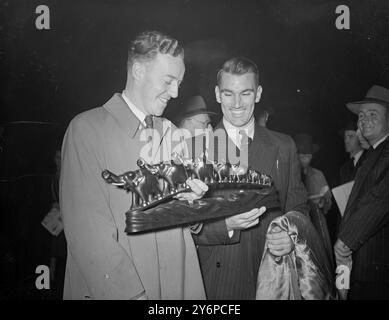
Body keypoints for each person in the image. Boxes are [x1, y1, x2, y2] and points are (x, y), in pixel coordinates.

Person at [60, 30, 208, 300]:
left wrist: (192, 205)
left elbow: (183, 224)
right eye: (168, 80)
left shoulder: (172, 133)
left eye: (179, 82)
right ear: (138, 70)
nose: (175, 92)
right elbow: (88, 234)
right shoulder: (87, 129)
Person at [192, 57, 309, 300]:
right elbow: (184, 230)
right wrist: (226, 226)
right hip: (218, 284)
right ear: (217, 94)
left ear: (258, 94)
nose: (236, 103)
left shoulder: (284, 145)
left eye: (245, 93)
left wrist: (292, 236)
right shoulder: (194, 149)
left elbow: (298, 207)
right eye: (228, 93)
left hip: (273, 280)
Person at [335, 85, 389, 299]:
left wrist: (345, 241)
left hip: (376, 268)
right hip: (357, 264)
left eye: (373, 114)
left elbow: (380, 200)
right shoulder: (370, 156)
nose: (364, 119)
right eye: (361, 115)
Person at [295, 134, 332, 215]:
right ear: (296, 156)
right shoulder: (291, 176)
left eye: (308, 156)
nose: (306, 160)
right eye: (302, 156)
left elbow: (328, 202)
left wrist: (323, 202)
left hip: (316, 221)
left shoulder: (318, 175)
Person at [339, 120, 367, 185]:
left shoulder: (369, 160)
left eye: (351, 137)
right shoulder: (344, 169)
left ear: (361, 137)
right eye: (345, 137)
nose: (346, 141)